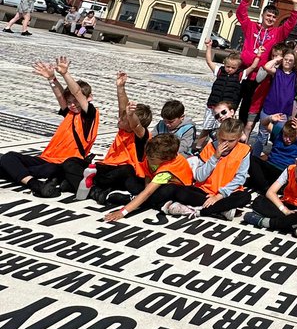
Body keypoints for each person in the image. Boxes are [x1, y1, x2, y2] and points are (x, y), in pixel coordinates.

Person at [0, 57, 99, 193]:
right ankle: (33, 182)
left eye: (76, 101)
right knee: (8, 157)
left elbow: (77, 92)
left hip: (63, 163)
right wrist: (52, 78)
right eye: (69, 102)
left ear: (89, 98)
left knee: (10, 168)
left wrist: (65, 74)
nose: (72, 104)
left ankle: (32, 182)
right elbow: (60, 96)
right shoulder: (70, 113)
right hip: (45, 158)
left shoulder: (89, 116)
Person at [234, 0, 297, 122]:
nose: (271, 18)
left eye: (273, 17)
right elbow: (241, 14)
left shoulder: (277, 33)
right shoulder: (251, 27)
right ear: (263, 15)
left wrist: (295, 5)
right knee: (233, 102)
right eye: (268, 15)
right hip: (244, 71)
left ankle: (241, 132)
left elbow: (290, 24)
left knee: (247, 107)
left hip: (260, 77)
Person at [86, 72, 152, 203]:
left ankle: (99, 188)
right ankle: (97, 189)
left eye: (124, 118)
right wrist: (121, 88)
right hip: (108, 169)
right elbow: (123, 106)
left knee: (125, 169)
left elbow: (136, 124)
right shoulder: (123, 129)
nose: (119, 119)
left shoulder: (141, 136)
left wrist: (131, 115)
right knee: (73, 163)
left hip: (128, 175)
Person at [103, 134, 200, 222]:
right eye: (148, 156)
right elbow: (148, 176)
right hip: (155, 184)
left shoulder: (168, 168)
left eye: (152, 159)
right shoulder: (152, 155)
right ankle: (154, 203)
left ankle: (132, 200)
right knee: (130, 179)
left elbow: (148, 192)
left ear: (165, 159)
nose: (148, 159)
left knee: (165, 191)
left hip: (176, 190)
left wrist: (122, 212)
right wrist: (145, 188)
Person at [245, 146, 297, 235]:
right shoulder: (290, 169)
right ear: (296, 162)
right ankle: (293, 224)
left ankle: (267, 222)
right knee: (258, 202)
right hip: (288, 205)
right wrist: (284, 210)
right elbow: (270, 192)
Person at [196, 41, 244, 148]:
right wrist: (209, 47)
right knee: (206, 128)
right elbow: (209, 61)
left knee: (223, 130)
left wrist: (258, 56)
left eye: (233, 68)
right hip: (213, 105)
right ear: (224, 64)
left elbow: (252, 67)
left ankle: (216, 147)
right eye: (228, 66)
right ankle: (198, 147)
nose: (229, 69)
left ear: (238, 68)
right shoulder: (220, 71)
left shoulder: (240, 75)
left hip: (226, 109)